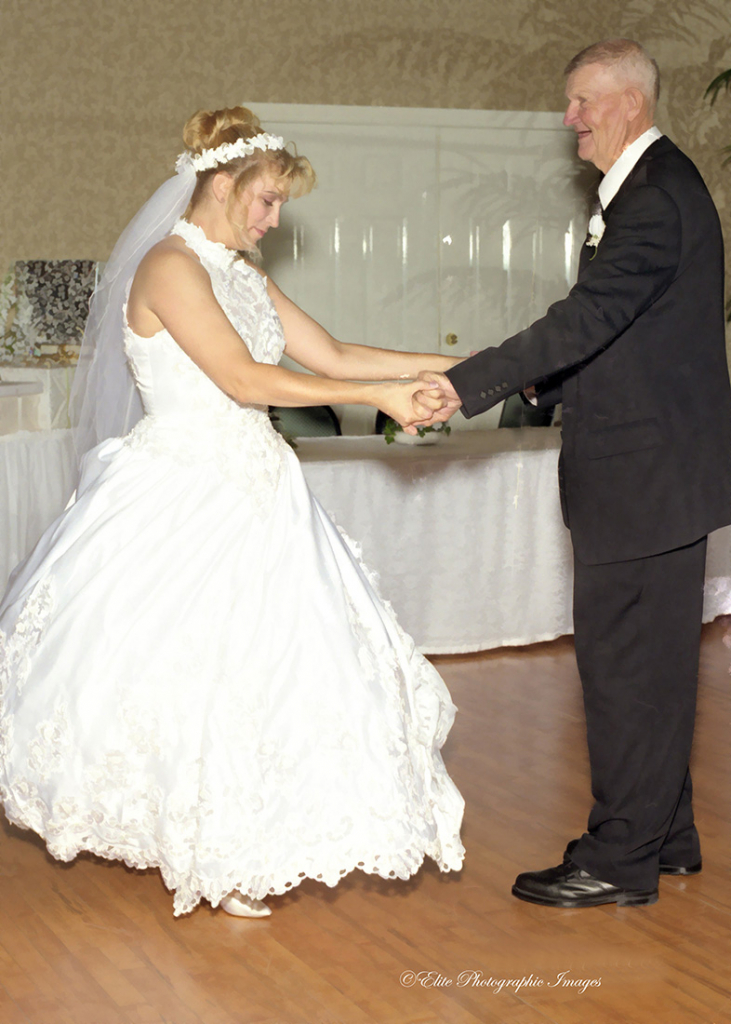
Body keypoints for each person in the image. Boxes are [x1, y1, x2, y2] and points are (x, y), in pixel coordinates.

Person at [0, 106, 465, 918]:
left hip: (260, 489)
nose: (275, 217)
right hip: (179, 492)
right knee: (184, 673)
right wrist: (377, 395)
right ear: (221, 182)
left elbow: (335, 354)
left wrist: (468, 366)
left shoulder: (241, 273)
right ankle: (197, 838)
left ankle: (239, 839)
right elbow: (244, 380)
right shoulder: (169, 266)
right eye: (267, 199)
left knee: (275, 670)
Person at [419, 39, 731, 908]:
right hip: (656, 470)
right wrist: (526, 371)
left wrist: (463, 382)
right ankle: (664, 834)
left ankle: (619, 858)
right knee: (653, 662)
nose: (570, 120)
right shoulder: (650, 188)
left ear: (629, 101)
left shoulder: (654, 197)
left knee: (627, 667)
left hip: (644, 474)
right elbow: (618, 333)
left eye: (582, 102)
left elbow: (589, 315)